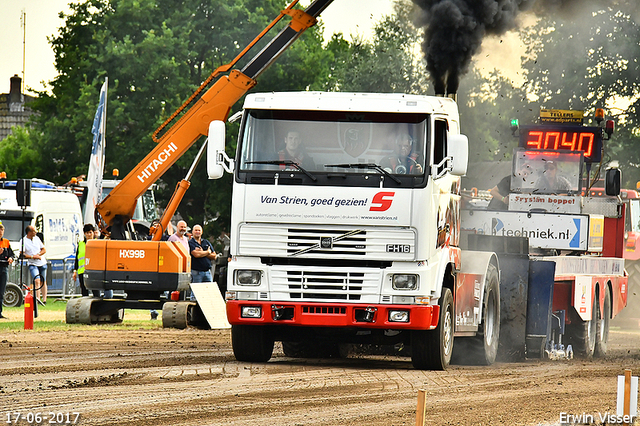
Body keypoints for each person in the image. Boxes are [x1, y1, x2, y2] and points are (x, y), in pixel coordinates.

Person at [188, 224, 217, 300]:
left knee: (209, 292)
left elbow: (214, 256)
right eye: (196, 230)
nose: (197, 232)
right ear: (192, 232)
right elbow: (196, 254)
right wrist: (207, 252)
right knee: (195, 294)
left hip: (207, 272)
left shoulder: (206, 242)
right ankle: (194, 309)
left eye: (199, 230)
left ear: (202, 232)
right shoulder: (191, 243)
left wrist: (203, 252)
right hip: (196, 272)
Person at [20, 225, 47, 304]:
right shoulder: (23, 241)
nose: (35, 233)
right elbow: (22, 254)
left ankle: (44, 299)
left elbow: (44, 249)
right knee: (37, 280)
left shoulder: (37, 239)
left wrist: (38, 254)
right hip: (32, 263)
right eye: (33, 231)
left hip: (42, 262)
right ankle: (38, 299)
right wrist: (32, 257)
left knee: (43, 281)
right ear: (29, 232)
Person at [73, 224, 95, 297]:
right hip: (82, 271)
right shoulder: (81, 244)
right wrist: (75, 270)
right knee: (84, 290)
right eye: (87, 233)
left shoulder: (97, 243)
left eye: (90, 232)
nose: (89, 235)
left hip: (93, 270)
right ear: (84, 234)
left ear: (93, 233)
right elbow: (77, 258)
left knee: (95, 290)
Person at [0, 223, 15, 319]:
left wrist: (11, 258)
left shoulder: (6, 242)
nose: (0, 233)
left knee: (1, 292)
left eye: (1, 231)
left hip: (3, 268)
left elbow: (12, 254)